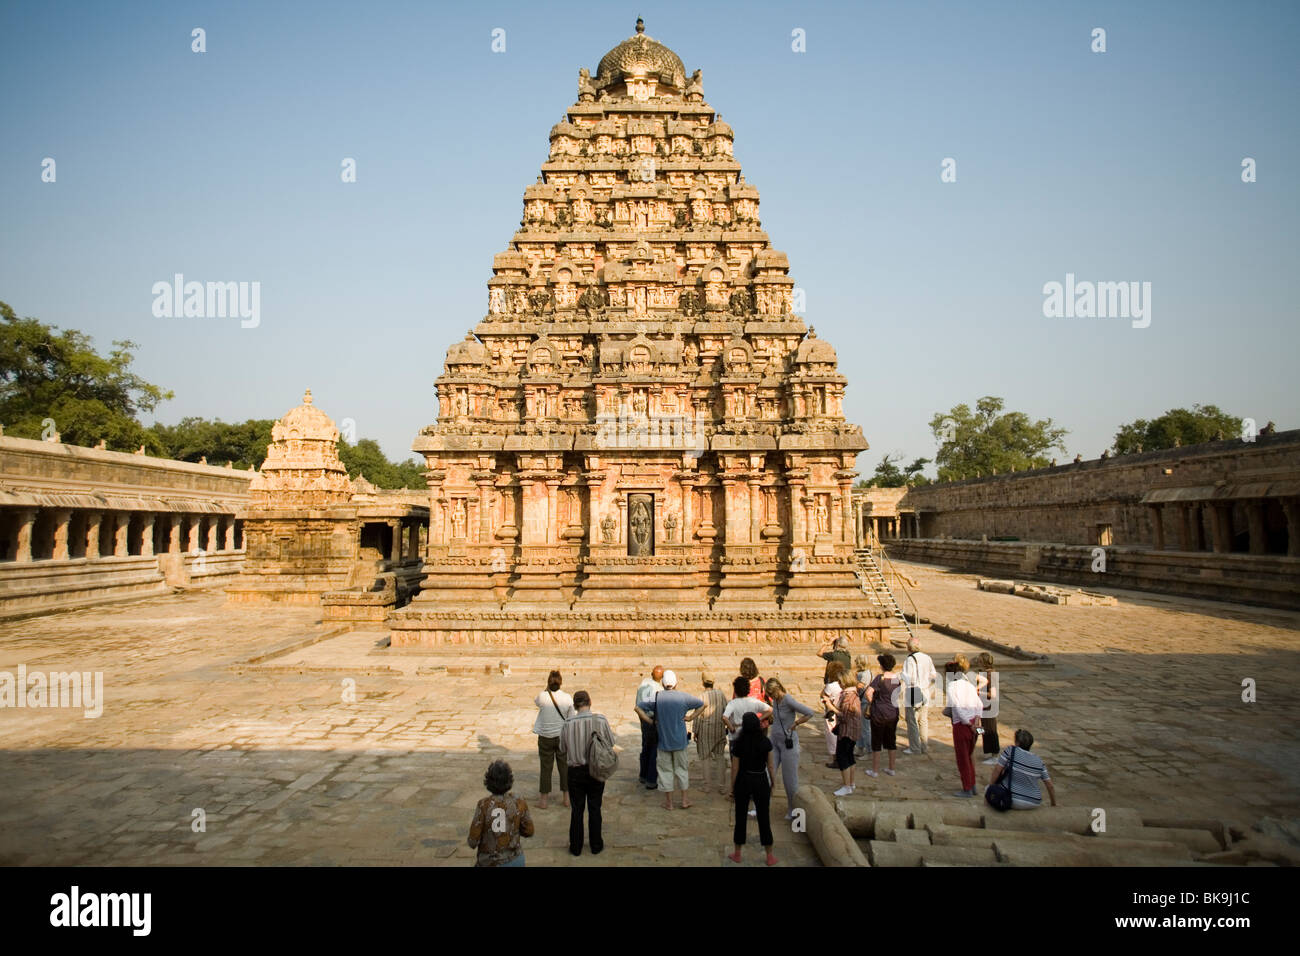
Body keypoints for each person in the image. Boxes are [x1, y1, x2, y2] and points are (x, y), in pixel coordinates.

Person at [558, 690, 615, 855]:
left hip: (575, 771)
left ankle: (576, 847)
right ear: (590, 701)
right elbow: (611, 743)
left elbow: (562, 749)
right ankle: (596, 845)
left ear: (575, 705)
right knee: (595, 807)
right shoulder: (600, 720)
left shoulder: (568, 723)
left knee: (577, 810)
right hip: (596, 768)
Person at [637, 670, 704, 810]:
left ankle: (669, 802)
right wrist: (691, 717)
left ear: (663, 683)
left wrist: (650, 721)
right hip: (680, 740)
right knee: (682, 770)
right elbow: (702, 704)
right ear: (676, 683)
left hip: (663, 741)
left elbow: (638, 707)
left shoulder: (657, 697)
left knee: (665, 771)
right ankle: (685, 800)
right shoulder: (683, 697)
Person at [728, 711, 777, 866]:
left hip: (743, 779)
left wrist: (732, 787)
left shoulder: (738, 743)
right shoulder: (765, 742)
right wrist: (773, 781)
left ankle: (737, 853)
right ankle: (769, 855)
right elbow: (770, 764)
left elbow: (734, 768)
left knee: (740, 817)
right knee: (764, 817)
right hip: (760, 778)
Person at [466, 759, 534, 867]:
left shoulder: (483, 805)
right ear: (509, 780)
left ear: (488, 781)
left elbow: (472, 841)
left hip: (491, 862)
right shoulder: (519, 802)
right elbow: (529, 831)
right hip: (515, 860)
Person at [766, 677, 815, 819]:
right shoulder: (775, 700)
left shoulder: (788, 700)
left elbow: (809, 713)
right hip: (774, 742)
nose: (771, 697)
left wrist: (796, 723)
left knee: (790, 780)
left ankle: (793, 810)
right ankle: (762, 805)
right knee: (767, 774)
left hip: (788, 744)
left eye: (772, 694)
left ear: (777, 689)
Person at [532, 669, 574, 809]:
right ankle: (567, 798)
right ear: (561, 682)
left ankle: (543, 801)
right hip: (561, 737)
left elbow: (536, 702)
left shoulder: (542, 696)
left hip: (545, 737)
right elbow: (571, 718)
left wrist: (547, 689)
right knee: (564, 768)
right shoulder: (567, 698)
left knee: (546, 768)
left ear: (548, 683)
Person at [990, 729, 1057, 809]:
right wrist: (1053, 804)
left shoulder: (1010, 750)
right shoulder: (1039, 761)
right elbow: (1050, 785)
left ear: (1017, 742)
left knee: (989, 792)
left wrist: (991, 786)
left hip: (1011, 797)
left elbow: (997, 770)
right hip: (1034, 801)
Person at [946, 655, 983, 798]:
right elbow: (979, 704)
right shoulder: (968, 684)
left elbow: (957, 708)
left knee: (963, 758)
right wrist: (977, 722)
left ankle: (967, 787)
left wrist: (969, 724)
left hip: (963, 725)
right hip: (975, 722)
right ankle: (972, 785)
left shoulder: (951, 686)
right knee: (969, 755)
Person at [825, 670, 863, 796]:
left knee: (842, 757)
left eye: (840, 681)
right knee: (850, 756)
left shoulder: (848, 696)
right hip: (854, 730)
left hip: (847, 730)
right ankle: (851, 783)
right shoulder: (854, 693)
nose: (839, 684)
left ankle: (846, 785)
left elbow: (844, 716)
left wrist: (830, 706)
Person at [864, 654, 901, 778]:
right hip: (892, 712)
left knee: (877, 741)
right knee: (891, 741)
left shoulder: (880, 678)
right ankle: (892, 768)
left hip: (879, 712)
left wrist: (873, 702)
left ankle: (875, 770)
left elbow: (868, 693)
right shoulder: (896, 679)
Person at [694, 671, 730, 795]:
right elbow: (727, 710)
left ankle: (707, 786)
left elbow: (697, 716)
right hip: (719, 729)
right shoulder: (720, 694)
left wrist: (695, 732)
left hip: (705, 730)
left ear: (703, 682)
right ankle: (722, 786)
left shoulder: (701, 697)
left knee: (705, 758)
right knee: (720, 757)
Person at [900, 636, 937, 755]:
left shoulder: (909, 660)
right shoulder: (927, 657)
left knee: (912, 721)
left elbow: (907, 677)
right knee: (923, 720)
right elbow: (933, 674)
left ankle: (914, 747)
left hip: (913, 691)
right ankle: (924, 746)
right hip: (925, 691)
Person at [634, 665, 664, 790]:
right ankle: (651, 780)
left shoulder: (643, 684)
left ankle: (643, 775)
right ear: (661, 677)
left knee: (645, 746)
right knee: (653, 750)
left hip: (643, 718)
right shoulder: (659, 690)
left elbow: (637, 703)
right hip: (652, 720)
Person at [723, 675, 772, 743]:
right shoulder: (754, 701)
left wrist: (731, 728)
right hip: (751, 736)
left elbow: (725, 717)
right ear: (748, 689)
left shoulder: (732, 703)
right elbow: (770, 710)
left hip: (736, 737)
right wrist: (758, 719)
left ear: (735, 690)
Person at [973, 652, 1001, 764]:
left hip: (989, 707)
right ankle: (989, 751)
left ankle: (994, 755)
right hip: (984, 706)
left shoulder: (990, 675)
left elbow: (992, 694)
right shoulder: (986, 673)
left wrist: (978, 692)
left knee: (990, 730)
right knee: (984, 729)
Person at [853, 656, 874, 756]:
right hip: (862, 701)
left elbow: (859, 686)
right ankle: (860, 747)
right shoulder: (869, 672)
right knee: (860, 726)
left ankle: (869, 750)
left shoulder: (863, 675)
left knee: (865, 728)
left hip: (864, 702)